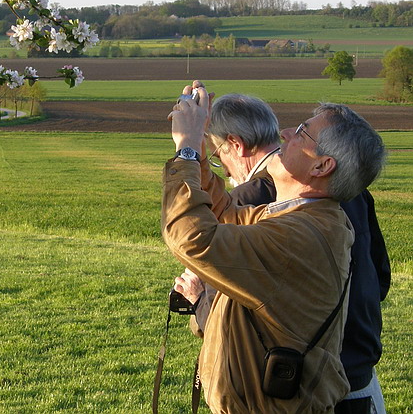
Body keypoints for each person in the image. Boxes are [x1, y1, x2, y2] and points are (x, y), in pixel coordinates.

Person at [162, 83, 387, 413]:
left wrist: (188, 151)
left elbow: (193, 238)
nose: (284, 133)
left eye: (301, 133)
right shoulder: (301, 216)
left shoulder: (301, 235)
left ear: (322, 166)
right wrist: (195, 141)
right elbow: (222, 215)